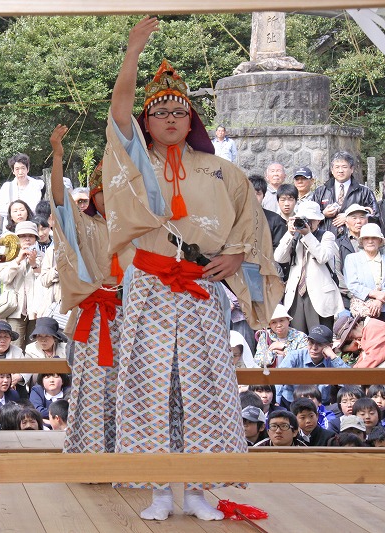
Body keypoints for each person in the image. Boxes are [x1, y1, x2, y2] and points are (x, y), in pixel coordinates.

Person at [103, 17, 281, 521]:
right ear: (148, 121)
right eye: (161, 112)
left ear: (192, 117)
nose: (172, 118)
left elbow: (252, 224)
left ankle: (202, 489)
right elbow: (117, 117)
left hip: (203, 288)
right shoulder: (134, 163)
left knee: (203, 383)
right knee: (149, 382)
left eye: (181, 110)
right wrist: (133, 52)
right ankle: (159, 488)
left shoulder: (222, 170)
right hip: (151, 286)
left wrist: (240, 255)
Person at [274, 200, 343, 332]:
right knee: (298, 335)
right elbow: (279, 257)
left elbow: (323, 257)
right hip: (296, 294)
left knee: (320, 336)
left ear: (319, 221)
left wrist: (308, 235)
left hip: (320, 293)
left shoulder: (326, 236)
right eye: (304, 219)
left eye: (311, 220)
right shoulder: (294, 237)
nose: (307, 223)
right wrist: (289, 233)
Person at [277, 325, 349, 407]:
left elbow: (351, 382)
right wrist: (276, 403)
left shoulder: (332, 361)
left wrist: (333, 356)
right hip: (291, 403)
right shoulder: (295, 356)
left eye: (319, 344)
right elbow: (278, 379)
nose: (314, 348)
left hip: (320, 406)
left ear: (330, 346)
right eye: (311, 342)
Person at [0, 220, 41, 349]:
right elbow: (4, 278)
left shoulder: (42, 256)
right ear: (17, 238)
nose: (27, 239)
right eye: (22, 236)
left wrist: (34, 265)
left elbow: (45, 282)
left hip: (36, 311)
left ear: (35, 238)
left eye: (31, 236)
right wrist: (18, 261)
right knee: (15, 346)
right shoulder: (9, 257)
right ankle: (14, 370)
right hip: (15, 310)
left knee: (34, 347)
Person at [313, 151, 380, 235]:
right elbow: (310, 216)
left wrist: (350, 218)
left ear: (351, 169)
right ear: (332, 170)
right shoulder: (320, 191)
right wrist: (323, 214)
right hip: (326, 239)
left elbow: (375, 217)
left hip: (355, 239)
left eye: (344, 167)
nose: (340, 171)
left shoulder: (364, 192)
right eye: (337, 167)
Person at [344, 223, 385, 319]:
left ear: (379, 241)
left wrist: (380, 300)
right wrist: (375, 294)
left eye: (374, 238)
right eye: (366, 238)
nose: (370, 241)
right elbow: (352, 284)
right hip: (363, 310)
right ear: (362, 241)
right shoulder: (352, 259)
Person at [0, 153, 44, 232]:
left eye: (23, 168)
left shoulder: (36, 186)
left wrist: (15, 210)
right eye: (17, 169)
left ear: (27, 169)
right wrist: (19, 212)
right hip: (10, 228)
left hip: (30, 227)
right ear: (13, 171)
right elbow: (1, 209)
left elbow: (34, 208)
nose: (20, 172)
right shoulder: (7, 187)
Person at [254, 304, 308, 368]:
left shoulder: (300, 337)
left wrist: (285, 349)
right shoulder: (264, 337)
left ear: (288, 321)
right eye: (274, 322)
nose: (279, 325)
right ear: (269, 324)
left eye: (281, 320)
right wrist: (273, 352)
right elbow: (257, 362)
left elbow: (304, 360)